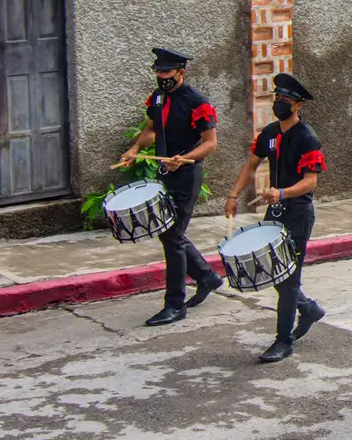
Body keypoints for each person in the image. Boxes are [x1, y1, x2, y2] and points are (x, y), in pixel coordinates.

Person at [224, 73, 327, 363]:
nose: (280, 104)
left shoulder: (307, 137)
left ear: (298, 106)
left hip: (297, 214)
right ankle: (308, 309)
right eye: (277, 98)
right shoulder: (269, 133)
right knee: (275, 272)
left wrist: (282, 193)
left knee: (289, 278)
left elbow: (310, 182)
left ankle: (283, 341)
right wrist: (233, 194)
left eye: (286, 100)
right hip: (276, 211)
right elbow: (252, 165)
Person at [119, 48, 221, 327]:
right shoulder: (158, 97)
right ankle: (206, 276)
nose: (161, 76)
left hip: (186, 175)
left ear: (180, 72)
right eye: (158, 71)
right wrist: (135, 148)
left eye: (166, 72)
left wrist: (186, 159)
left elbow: (210, 143)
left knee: (172, 236)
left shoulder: (196, 102)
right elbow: (152, 128)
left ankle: (175, 305)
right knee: (168, 233)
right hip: (164, 173)